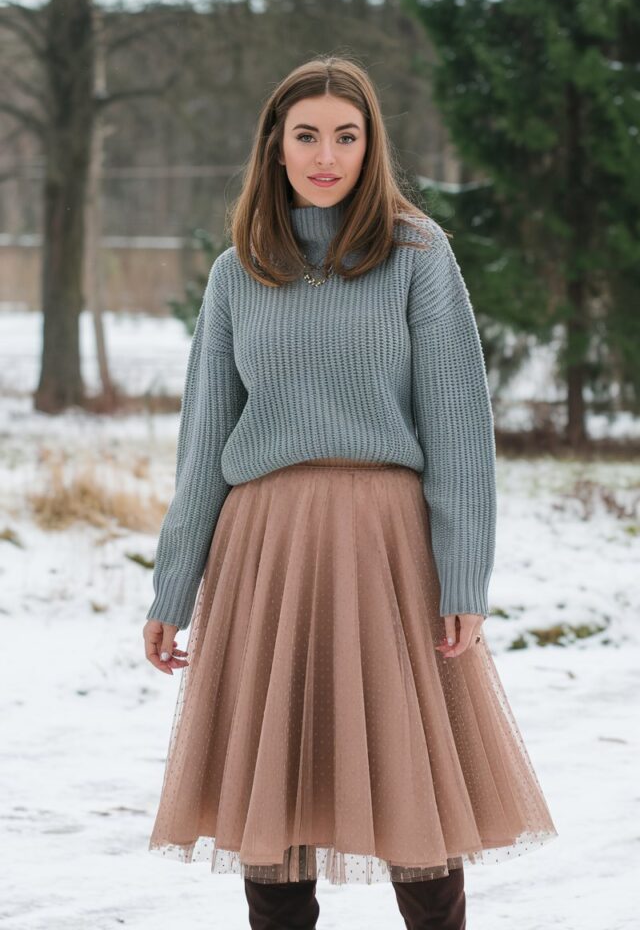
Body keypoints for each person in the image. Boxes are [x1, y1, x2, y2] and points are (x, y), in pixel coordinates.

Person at [142, 55, 558, 929]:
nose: (326, 155)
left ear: (371, 148)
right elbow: (204, 443)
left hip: (387, 549)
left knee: (416, 804)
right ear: (276, 148)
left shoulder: (416, 255)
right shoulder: (237, 273)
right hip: (266, 552)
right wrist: (173, 588)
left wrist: (464, 578)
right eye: (306, 136)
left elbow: (457, 428)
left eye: (346, 135)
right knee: (274, 811)